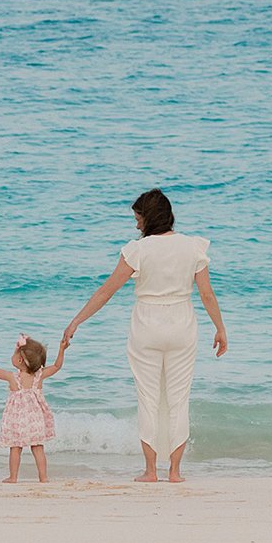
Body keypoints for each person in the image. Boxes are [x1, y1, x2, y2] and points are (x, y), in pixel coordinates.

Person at [62, 188, 228, 482]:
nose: (136, 224)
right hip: (182, 324)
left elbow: (107, 290)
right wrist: (220, 328)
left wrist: (76, 321)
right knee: (179, 399)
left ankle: (151, 471)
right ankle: (175, 472)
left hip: (147, 326)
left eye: (138, 218)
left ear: (148, 217)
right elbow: (206, 293)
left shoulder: (138, 250)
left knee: (148, 398)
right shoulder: (192, 247)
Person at [0, 333, 68, 483]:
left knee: (15, 448)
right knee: (38, 448)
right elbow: (57, 366)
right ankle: (43, 477)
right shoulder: (39, 375)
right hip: (35, 420)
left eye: (15, 352)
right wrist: (62, 349)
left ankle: (13, 477)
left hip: (17, 420)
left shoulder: (12, 377)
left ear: (20, 359)